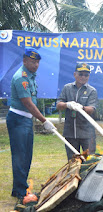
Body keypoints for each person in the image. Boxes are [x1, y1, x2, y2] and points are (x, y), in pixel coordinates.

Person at [6, 47, 56, 200]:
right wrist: (44, 120)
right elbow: (28, 103)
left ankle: (20, 187)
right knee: (20, 156)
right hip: (18, 119)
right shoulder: (21, 77)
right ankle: (20, 191)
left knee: (27, 155)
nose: (36, 65)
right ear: (25, 60)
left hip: (26, 120)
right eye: (33, 62)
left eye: (37, 62)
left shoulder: (30, 76)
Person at [57, 63, 98, 160]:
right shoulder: (67, 88)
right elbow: (59, 105)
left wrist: (82, 108)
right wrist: (67, 104)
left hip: (87, 133)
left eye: (86, 75)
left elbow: (92, 109)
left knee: (90, 162)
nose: (83, 77)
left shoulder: (92, 91)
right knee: (72, 162)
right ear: (75, 74)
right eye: (80, 74)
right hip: (70, 132)